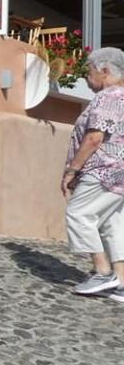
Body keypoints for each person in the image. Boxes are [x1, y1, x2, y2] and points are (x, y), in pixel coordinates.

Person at [62, 47, 124, 303]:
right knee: (112, 224)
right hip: (119, 172)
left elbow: (94, 138)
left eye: (89, 71)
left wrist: (72, 170)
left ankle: (102, 271)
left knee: (78, 214)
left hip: (104, 169)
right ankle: (121, 281)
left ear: (105, 70)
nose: (87, 78)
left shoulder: (109, 97)